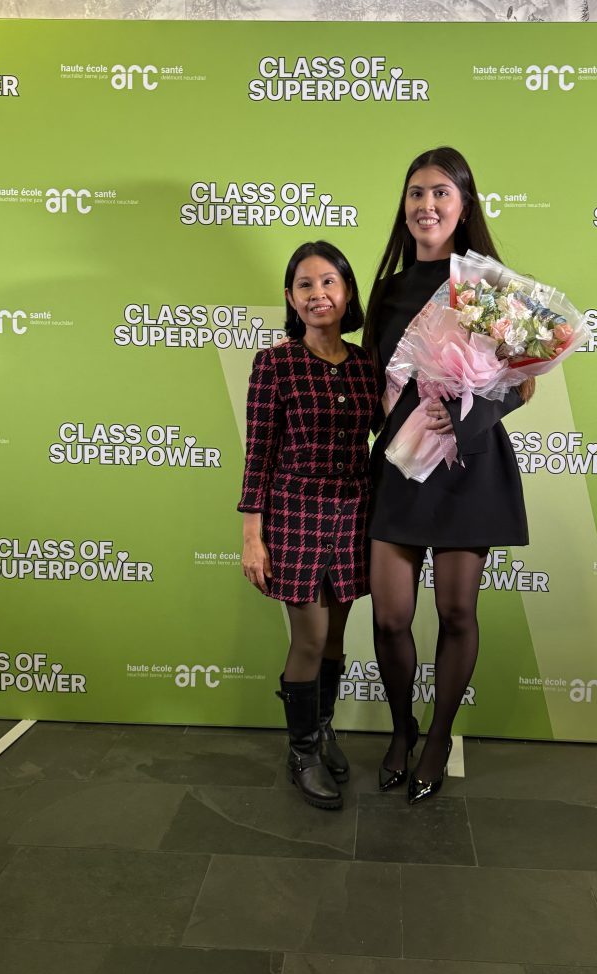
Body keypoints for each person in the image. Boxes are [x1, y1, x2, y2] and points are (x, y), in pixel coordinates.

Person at [362, 147, 532, 804]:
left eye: (440, 193)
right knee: (390, 617)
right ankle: (402, 729)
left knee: (457, 610)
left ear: (463, 206)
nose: (426, 205)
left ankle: (437, 737)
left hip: (468, 463)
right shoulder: (386, 291)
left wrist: (465, 419)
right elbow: (372, 381)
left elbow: (524, 384)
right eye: (415, 193)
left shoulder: (487, 285)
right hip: (401, 467)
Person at [238, 240, 377, 811]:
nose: (318, 294)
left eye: (329, 282)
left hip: (355, 511)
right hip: (295, 513)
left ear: (347, 293)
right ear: (291, 298)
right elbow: (258, 454)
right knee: (311, 637)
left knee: (337, 637)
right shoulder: (275, 363)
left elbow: (397, 430)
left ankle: (321, 731)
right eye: (305, 285)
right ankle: (301, 752)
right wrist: (252, 537)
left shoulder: (367, 365)